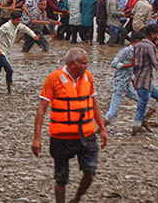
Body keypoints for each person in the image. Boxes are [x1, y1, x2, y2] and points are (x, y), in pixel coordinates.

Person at [32, 48, 108, 203]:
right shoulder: (54, 78)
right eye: (84, 63)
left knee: (90, 171)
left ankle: (77, 198)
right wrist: (37, 138)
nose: (87, 66)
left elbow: (93, 103)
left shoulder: (88, 77)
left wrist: (103, 128)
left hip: (86, 134)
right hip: (62, 136)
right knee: (61, 178)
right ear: (72, 64)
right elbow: (41, 108)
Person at [0, 12, 39, 94]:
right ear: (12, 19)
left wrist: (33, 35)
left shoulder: (17, 25)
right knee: (9, 71)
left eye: (20, 20)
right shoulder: (6, 26)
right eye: (17, 20)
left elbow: (26, 29)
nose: (19, 22)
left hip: (4, 52)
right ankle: (9, 90)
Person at [132, 24, 158, 134]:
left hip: (139, 79)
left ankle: (144, 120)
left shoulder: (137, 45)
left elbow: (134, 63)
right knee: (142, 106)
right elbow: (156, 64)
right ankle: (136, 128)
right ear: (152, 35)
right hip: (145, 80)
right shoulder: (150, 46)